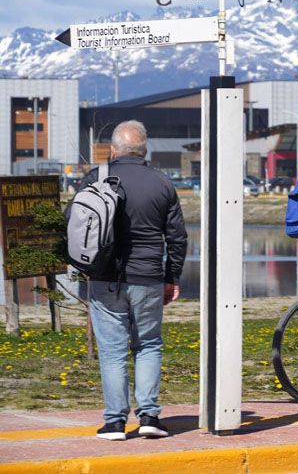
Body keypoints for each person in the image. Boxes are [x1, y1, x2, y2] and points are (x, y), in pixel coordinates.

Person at [69, 120, 188, 440]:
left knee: (112, 351)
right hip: (148, 277)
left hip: (104, 277)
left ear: (112, 150)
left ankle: (115, 423)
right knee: (148, 345)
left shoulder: (97, 177)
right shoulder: (162, 183)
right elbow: (177, 239)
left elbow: (76, 223)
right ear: (144, 149)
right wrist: (171, 277)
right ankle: (149, 416)